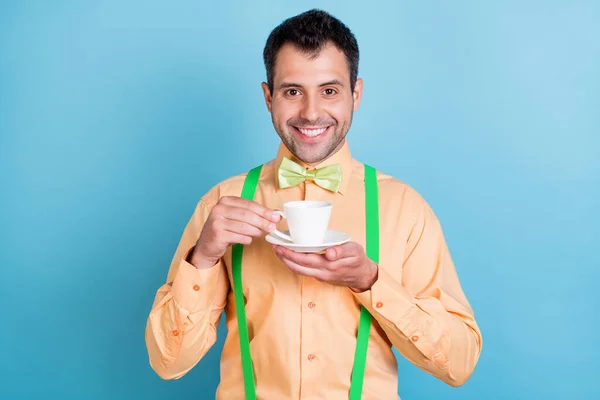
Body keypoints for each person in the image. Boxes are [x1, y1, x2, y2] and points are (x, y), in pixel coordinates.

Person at [145, 9, 482, 399]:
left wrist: (371, 282)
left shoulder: (404, 208)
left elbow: (460, 364)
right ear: (268, 96)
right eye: (292, 91)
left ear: (355, 94)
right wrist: (202, 257)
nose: (310, 112)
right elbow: (168, 363)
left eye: (329, 90)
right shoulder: (222, 204)